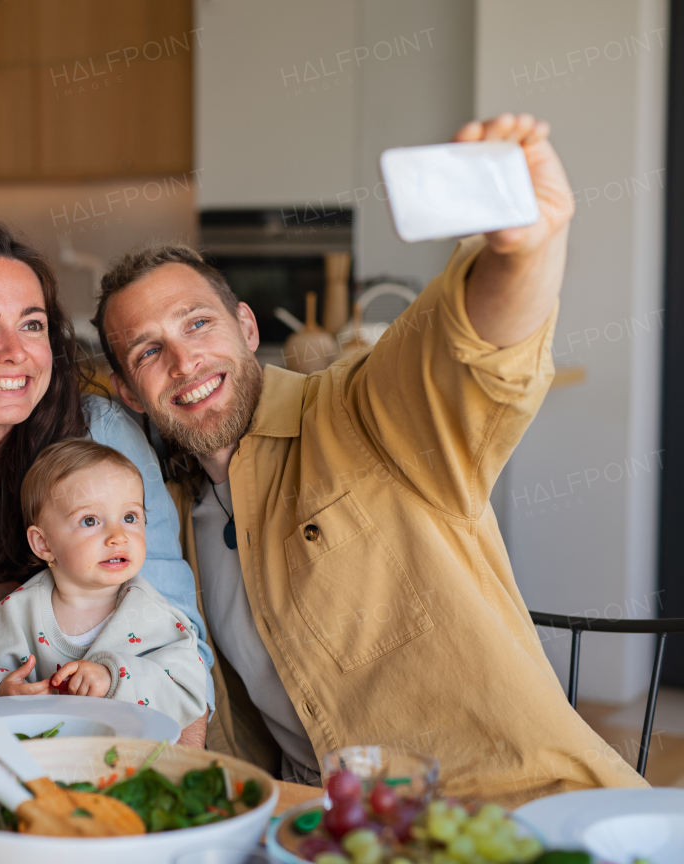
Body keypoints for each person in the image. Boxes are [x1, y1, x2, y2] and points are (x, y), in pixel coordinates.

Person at [93, 113, 647, 802]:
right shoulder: (163, 526)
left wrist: (523, 250)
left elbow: (464, 353)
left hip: (509, 809)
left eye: (198, 323)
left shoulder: (358, 413)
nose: (184, 361)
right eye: (148, 351)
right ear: (129, 393)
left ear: (245, 326)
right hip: (322, 820)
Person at [0, 222, 214, 741]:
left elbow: (181, 654)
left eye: (32, 325)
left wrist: (167, 804)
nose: (16, 352)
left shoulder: (100, 434)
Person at [0, 439, 209, 738]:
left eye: (130, 517)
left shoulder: (155, 617)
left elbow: (189, 692)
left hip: (131, 770)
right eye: (90, 520)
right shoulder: (19, 613)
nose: (118, 536)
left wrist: (113, 679)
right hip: (42, 772)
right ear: (44, 544)